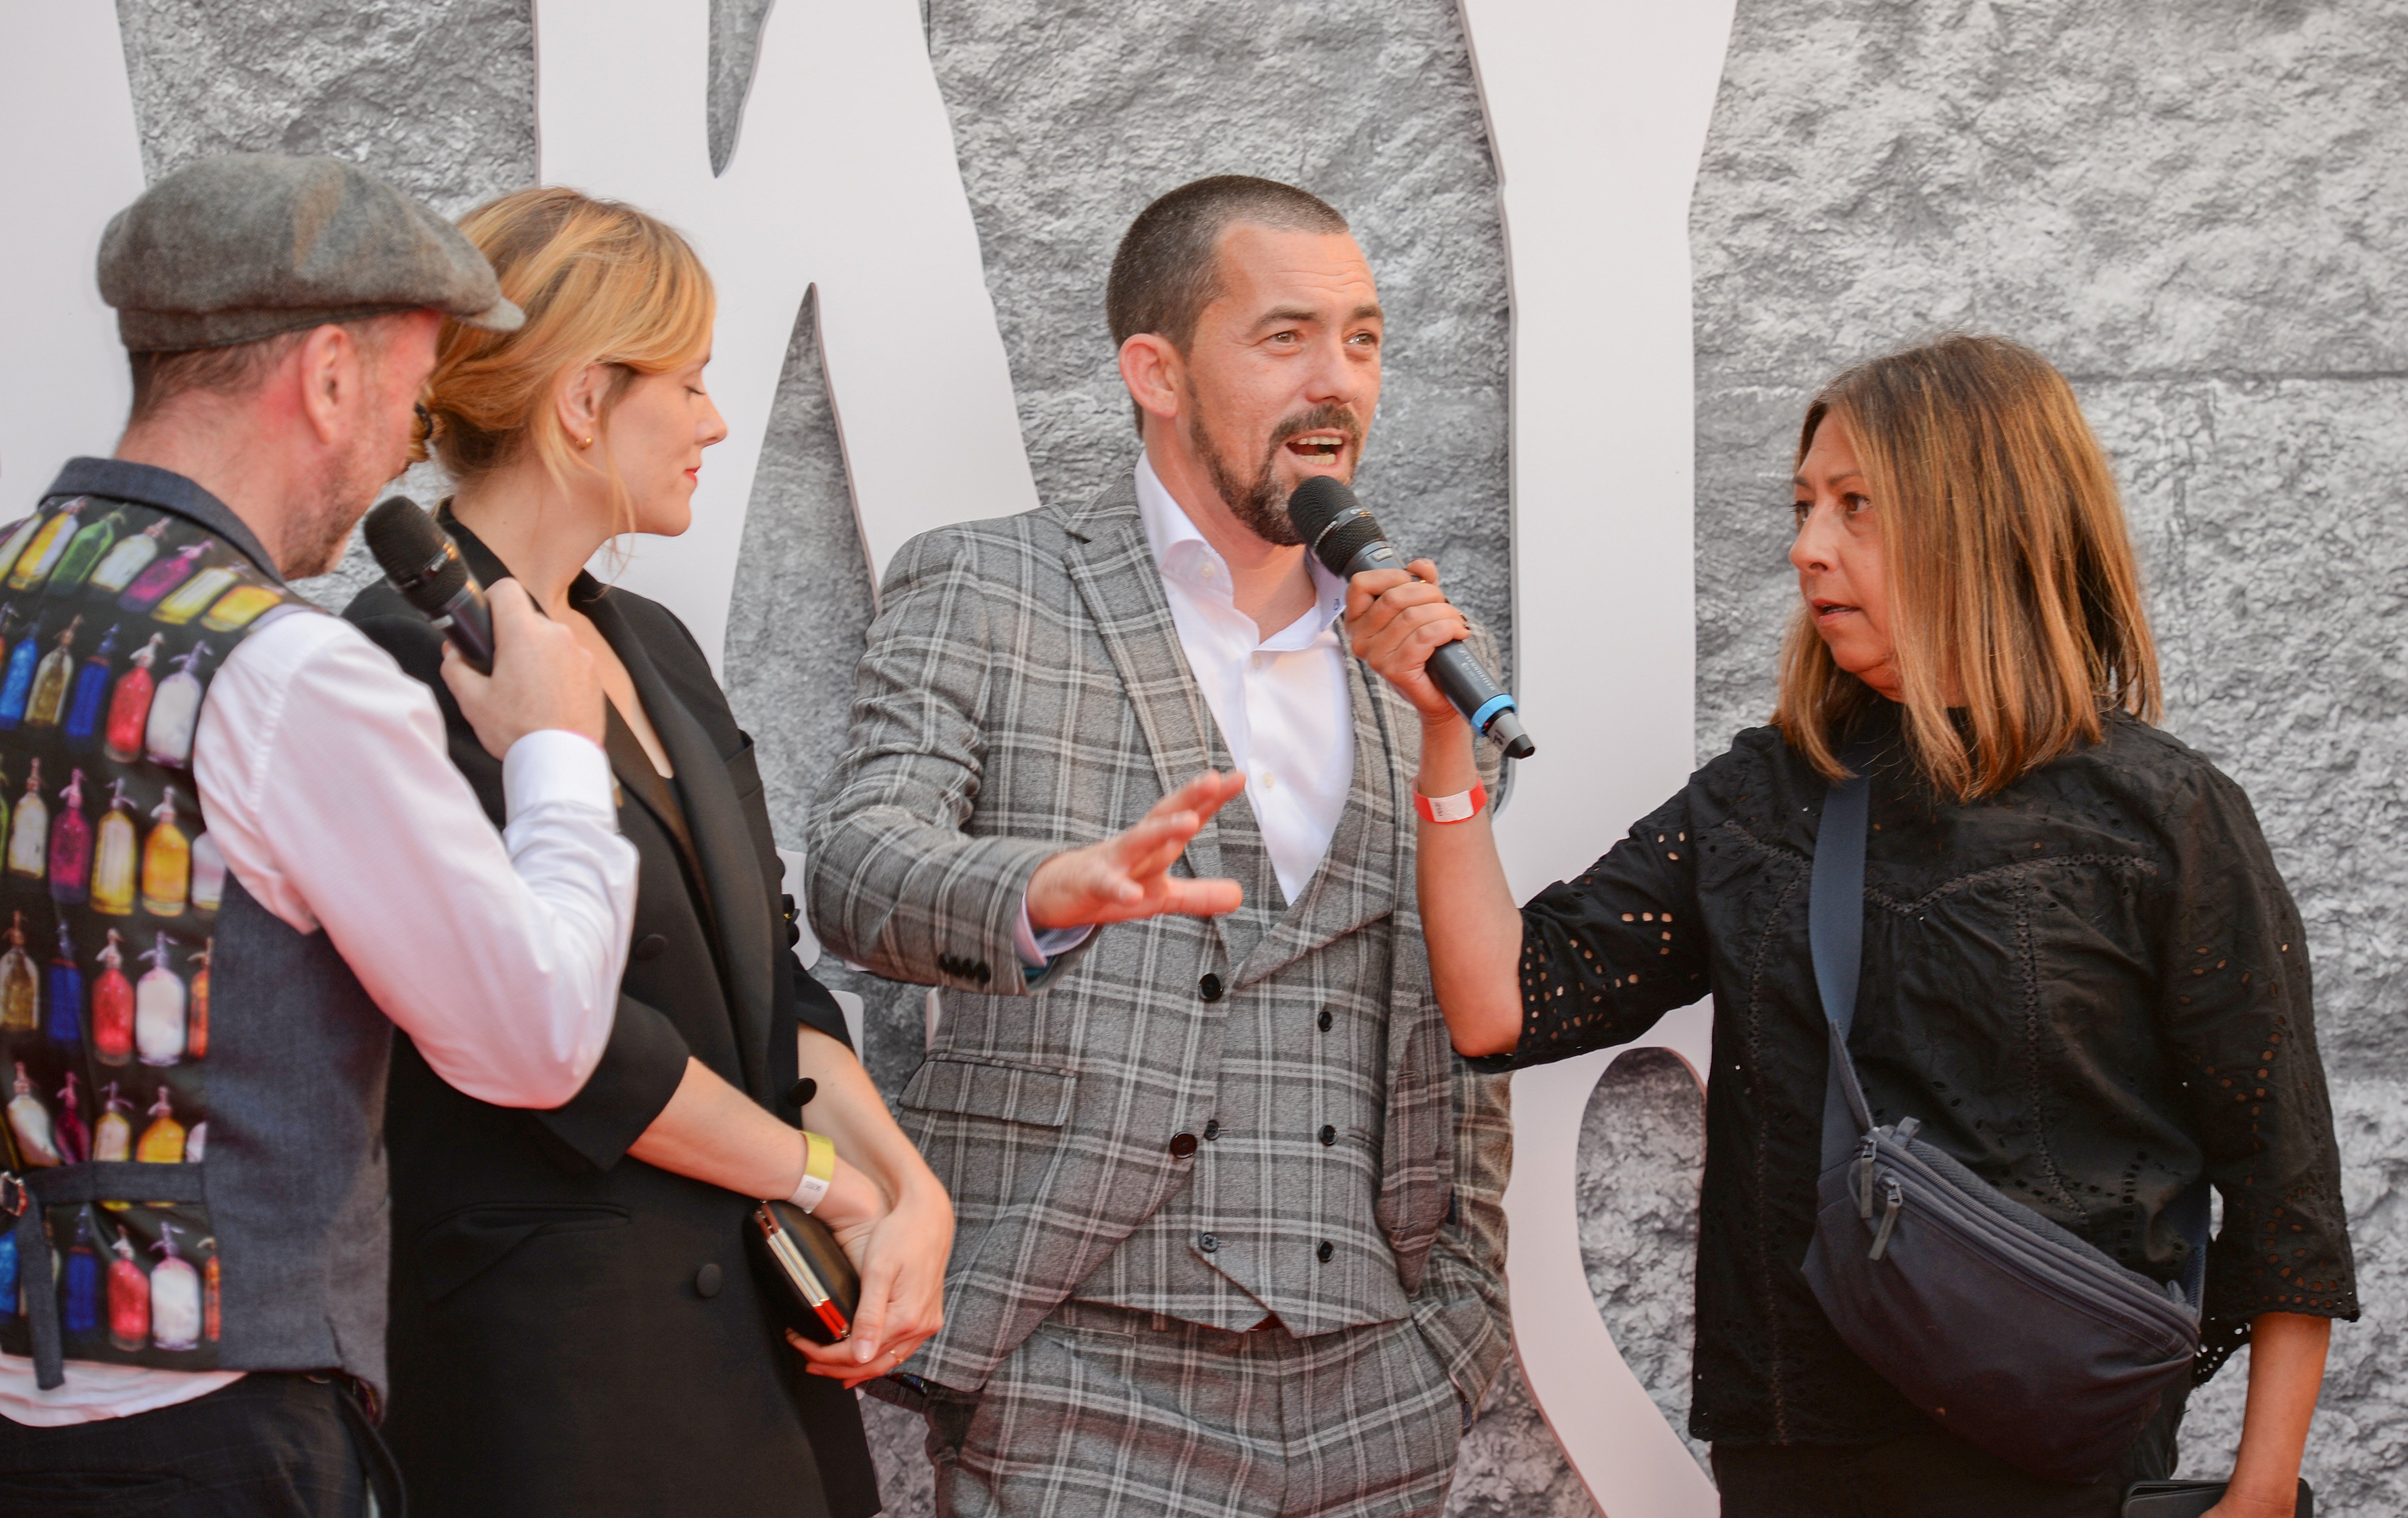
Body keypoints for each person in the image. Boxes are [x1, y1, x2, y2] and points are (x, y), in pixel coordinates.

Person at [1349, 334, 2356, 1518]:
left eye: (1855, 506)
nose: (1806, 546)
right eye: (1803, 506)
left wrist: (2261, 1488)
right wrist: (1443, 740)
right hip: (1800, 1454)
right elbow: (1504, 1002)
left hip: (2059, 1458)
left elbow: (2283, 1180)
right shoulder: (1768, 796)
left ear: (1983, 522)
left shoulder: (2162, 815)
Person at [807, 175, 1512, 1518]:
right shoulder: (989, 584)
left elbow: (1458, 1010)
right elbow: (854, 864)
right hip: (1080, 1375)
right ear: (1158, 371)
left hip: (1380, 1383)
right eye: (1285, 336)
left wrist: (1457, 1328)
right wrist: (1042, 889)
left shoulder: (1417, 659)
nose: (1336, 379)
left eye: (1362, 339)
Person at [0, 154, 640, 1515]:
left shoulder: (15, 581)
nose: (405, 445)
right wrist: (555, 751)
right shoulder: (289, 672)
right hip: (205, 1435)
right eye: (413, 399)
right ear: (332, 375)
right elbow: (533, 1036)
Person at [341, 186, 952, 1518]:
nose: (715, 422)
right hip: (563, 1385)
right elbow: (564, 1045)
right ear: (583, 402)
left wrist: (911, 1194)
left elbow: (769, 982)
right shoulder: (398, 657)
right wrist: (826, 1180)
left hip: (766, 1366)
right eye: (690, 382)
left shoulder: (655, 643)